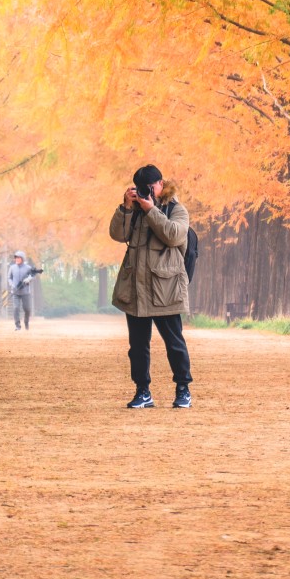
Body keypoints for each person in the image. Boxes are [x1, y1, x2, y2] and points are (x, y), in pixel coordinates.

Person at [109, 164, 192, 409]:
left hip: (165, 288)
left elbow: (174, 235)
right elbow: (117, 234)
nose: (148, 192)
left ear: (160, 184)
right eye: (142, 189)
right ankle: (143, 391)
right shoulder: (134, 210)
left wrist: (152, 210)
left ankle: (183, 389)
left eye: (151, 187)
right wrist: (126, 207)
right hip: (136, 289)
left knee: (174, 344)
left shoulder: (176, 209)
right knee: (137, 347)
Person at [7, 252, 40, 331]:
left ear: (22, 259)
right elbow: (9, 278)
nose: (17, 259)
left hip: (25, 292)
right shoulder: (12, 267)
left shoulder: (28, 268)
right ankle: (17, 326)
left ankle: (26, 322)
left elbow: (33, 276)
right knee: (16, 308)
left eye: (19, 258)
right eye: (16, 258)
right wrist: (12, 285)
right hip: (15, 292)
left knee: (27, 309)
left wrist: (28, 279)